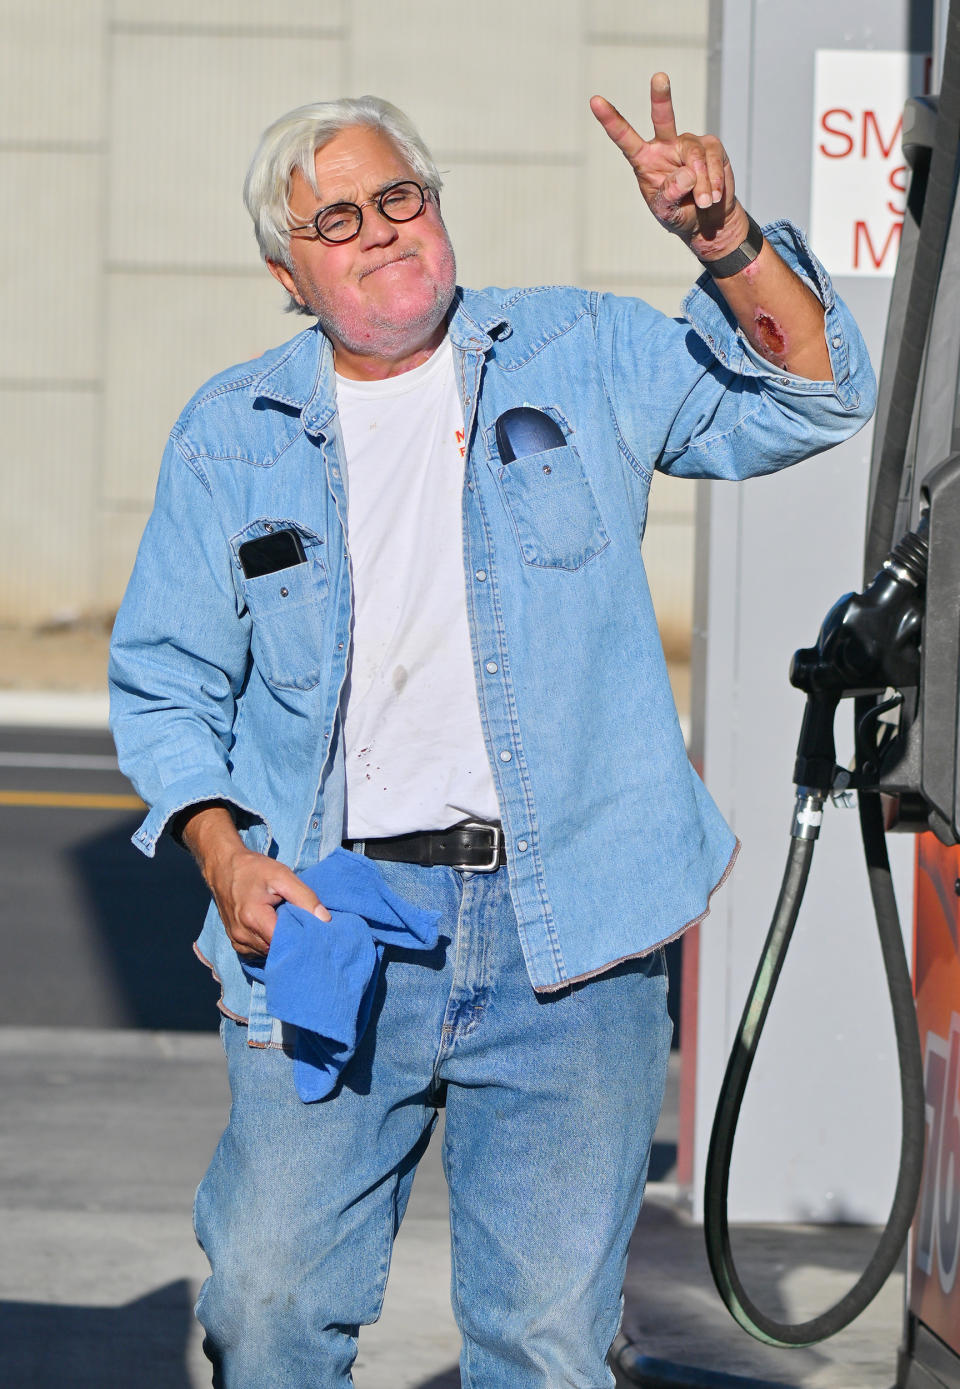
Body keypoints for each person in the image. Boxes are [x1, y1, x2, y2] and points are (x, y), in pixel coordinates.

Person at [109, 75, 875, 1388]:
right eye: (337, 220)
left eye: (399, 196)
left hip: (570, 930)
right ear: (289, 277)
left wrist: (725, 235)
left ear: (437, 207)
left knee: (540, 1345)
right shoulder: (231, 436)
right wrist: (225, 856)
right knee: (268, 1299)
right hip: (335, 915)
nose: (383, 229)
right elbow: (169, 682)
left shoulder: (576, 353)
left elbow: (809, 395)